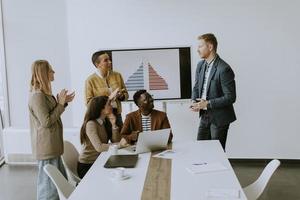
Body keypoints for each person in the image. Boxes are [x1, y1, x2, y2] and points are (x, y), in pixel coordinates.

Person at [29, 60, 75, 200]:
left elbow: (51, 113)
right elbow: (46, 122)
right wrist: (60, 104)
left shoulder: (44, 94)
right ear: (43, 73)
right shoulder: (37, 96)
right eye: (50, 70)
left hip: (52, 146)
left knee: (57, 185)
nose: (53, 72)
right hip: (46, 148)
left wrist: (63, 103)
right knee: (48, 189)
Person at [190, 33, 236, 150]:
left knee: (217, 153)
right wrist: (193, 101)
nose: (197, 50)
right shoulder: (200, 65)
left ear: (210, 47)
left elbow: (230, 97)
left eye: (200, 46)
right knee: (201, 149)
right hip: (204, 115)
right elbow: (196, 87)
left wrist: (208, 103)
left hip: (219, 117)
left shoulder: (224, 69)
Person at [77, 95, 128, 179]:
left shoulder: (104, 121)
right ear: (101, 108)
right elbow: (99, 147)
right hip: (87, 165)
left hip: (99, 160)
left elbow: (115, 140)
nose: (112, 106)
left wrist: (114, 125)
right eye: (109, 104)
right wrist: (120, 145)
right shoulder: (91, 124)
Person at [85, 51, 128, 128]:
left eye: (109, 59)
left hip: (116, 114)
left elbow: (126, 94)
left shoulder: (117, 75)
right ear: (97, 64)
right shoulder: (90, 80)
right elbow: (88, 103)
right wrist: (109, 98)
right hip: (101, 117)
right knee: (103, 139)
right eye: (106, 60)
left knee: (119, 138)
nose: (110, 62)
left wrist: (121, 96)